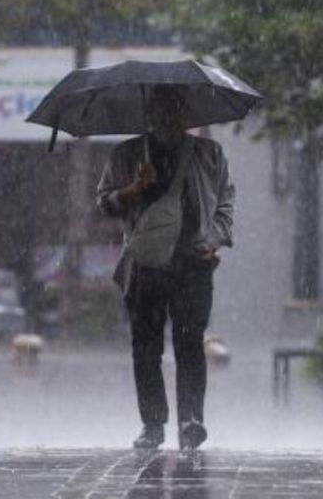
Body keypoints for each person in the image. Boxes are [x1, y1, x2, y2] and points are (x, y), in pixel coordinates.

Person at [95, 83, 235, 451]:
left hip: (193, 263)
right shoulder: (126, 154)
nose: (167, 116)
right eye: (159, 108)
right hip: (145, 265)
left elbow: (225, 205)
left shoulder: (209, 153)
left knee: (190, 344)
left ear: (186, 113)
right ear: (149, 113)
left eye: (175, 108)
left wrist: (213, 242)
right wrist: (133, 189)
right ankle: (153, 424)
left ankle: (191, 421)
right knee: (145, 347)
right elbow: (105, 203)